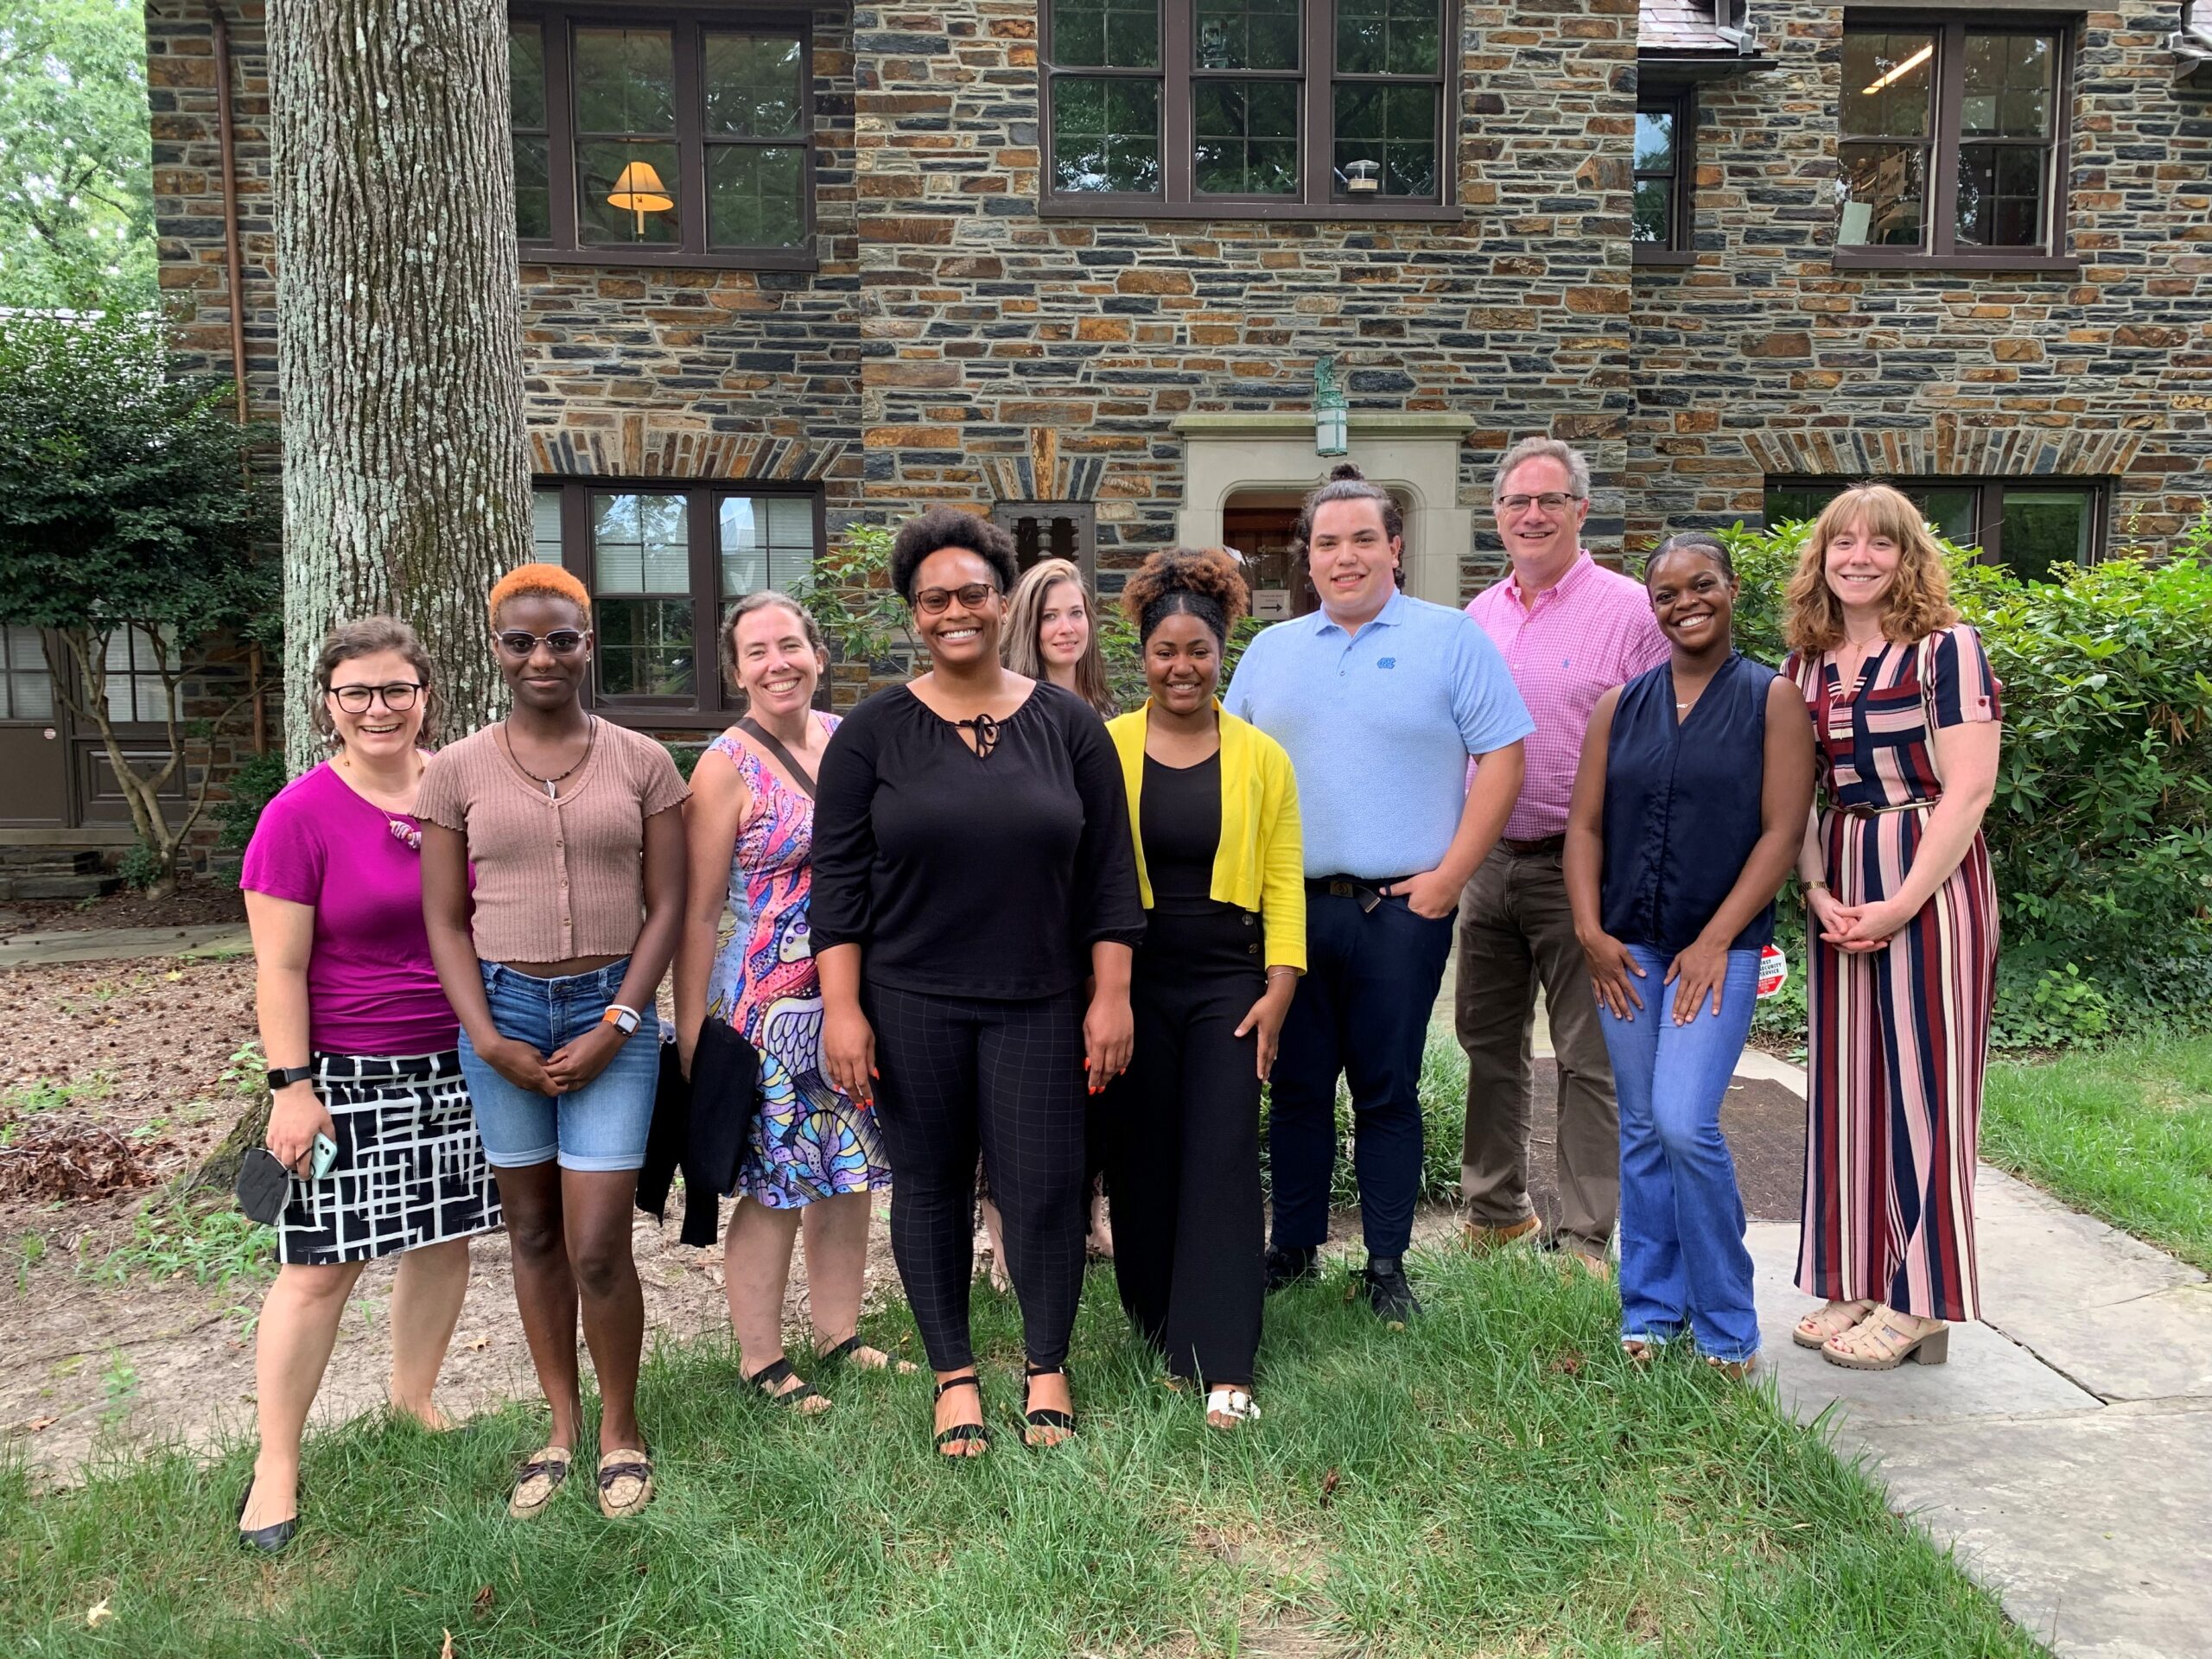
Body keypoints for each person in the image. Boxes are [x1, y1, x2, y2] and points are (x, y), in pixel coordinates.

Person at [812, 507, 1145, 1455]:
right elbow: (836, 889)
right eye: (932, 599)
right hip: (910, 1000)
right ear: (912, 612)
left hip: (1041, 998)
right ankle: (953, 1374)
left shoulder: (1069, 726)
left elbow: (1110, 878)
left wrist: (1110, 993)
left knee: (1044, 1186)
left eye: (970, 594)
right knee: (928, 1186)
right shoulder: (873, 734)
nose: (953, 612)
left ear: (1004, 602)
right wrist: (844, 1010)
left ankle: (1047, 1362)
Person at [1224, 463, 1533, 1319]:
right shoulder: (1272, 652)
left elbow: (1504, 756)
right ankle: (1293, 1248)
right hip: (1289, 911)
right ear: (1308, 559)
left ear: (1395, 548)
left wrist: (1450, 878)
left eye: (1363, 538)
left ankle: (1387, 1263)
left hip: (1400, 911)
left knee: (1386, 1089)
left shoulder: (1449, 639)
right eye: (1327, 543)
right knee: (1292, 1086)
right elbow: (1233, 774)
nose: (1345, 556)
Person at [418, 563, 689, 1519]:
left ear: (588, 644)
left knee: (600, 1242)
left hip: (610, 1016)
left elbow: (671, 905)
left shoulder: (644, 762)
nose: (543, 656)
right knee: (530, 1232)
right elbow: (446, 922)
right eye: (521, 641)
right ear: (496, 649)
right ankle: (562, 1428)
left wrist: (621, 1018)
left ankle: (623, 1427)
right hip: (501, 1018)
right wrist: (485, 1037)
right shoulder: (452, 771)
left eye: (562, 639)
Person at [234, 618, 501, 1552]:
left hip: (467, 1058)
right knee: (318, 1270)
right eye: (358, 692)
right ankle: (276, 1464)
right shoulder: (298, 815)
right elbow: (279, 969)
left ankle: (413, 1396)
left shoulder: (466, 785)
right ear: (329, 704)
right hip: (349, 1070)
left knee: (443, 1238)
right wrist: (290, 1087)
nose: (378, 708)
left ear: (427, 694)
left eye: (396, 689)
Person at [1563, 534, 1815, 1376]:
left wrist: (1713, 941)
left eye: (1699, 585)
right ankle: (1649, 1312)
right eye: (1666, 593)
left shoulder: (1770, 699)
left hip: (1720, 948)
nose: (1684, 603)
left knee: (1683, 1122)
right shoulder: (1619, 707)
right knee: (1639, 1128)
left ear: (1731, 589)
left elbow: (1780, 831)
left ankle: (1727, 1325)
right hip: (1626, 947)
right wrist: (1591, 932)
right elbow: (1586, 827)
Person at [1781, 483, 2002, 1371]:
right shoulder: (1805, 663)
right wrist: (1813, 886)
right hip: (1838, 870)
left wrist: (1904, 900)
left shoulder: (1947, 651)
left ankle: (1922, 1298)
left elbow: (1971, 789)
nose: (1859, 557)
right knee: (1847, 1090)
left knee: (1924, 1089)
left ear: (1906, 555)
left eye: (1879, 543)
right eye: (1842, 544)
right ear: (1821, 558)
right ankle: (1854, 1276)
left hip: (1927, 875)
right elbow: (1792, 790)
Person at [672, 590, 898, 1414]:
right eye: (758, 651)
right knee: (775, 1184)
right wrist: (691, 1023)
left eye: (791, 645)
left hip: (852, 996)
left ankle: (841, 1333)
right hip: (765, 1007)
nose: (778, 663)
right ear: (737, 670)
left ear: (819, 654)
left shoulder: (849, 740)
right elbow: (700, 909)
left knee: (846, 1166)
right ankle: (761, 1359)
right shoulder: (724, 766)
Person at [1459, 436, 1669, 1275]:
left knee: (1590, 1059)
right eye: (1517, 502)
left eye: (1549, 501)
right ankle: (1494, 1208)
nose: (1532, 515)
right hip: (1489, 862)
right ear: (1497, 517)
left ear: (1581, 510)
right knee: (1487, 1041)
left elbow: (1664, 750)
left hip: (1588, 870)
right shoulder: (1479, 616)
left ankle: (1583, 1234)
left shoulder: (1629, 612)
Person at [1104, 547, 1303, 1428]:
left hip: (1228, 978)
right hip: (1134, 976)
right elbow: (1086, 877)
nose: (1180, 667)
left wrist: (1280, 985)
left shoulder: (1263, 759)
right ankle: (1159, 1327)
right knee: (1142, 1155)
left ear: (1222, 651)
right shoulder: (1104, 747)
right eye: (1164, 651)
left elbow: (1285, 883)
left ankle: (1223, 1354)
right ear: (1141, 655)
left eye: (1198, 651)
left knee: (1221, 1155)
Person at [997, 555, 1119, 1270]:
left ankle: (1092, 1213)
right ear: (1026, 626)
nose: (1066, 627)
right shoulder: (1010, 711)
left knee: (1093, 1075)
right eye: (1050, 616)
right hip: (1025, 924)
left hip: (1092, 923)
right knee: (1016, 1085)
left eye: (1076, 613)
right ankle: (1003, 1233)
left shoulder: (1108, 714)